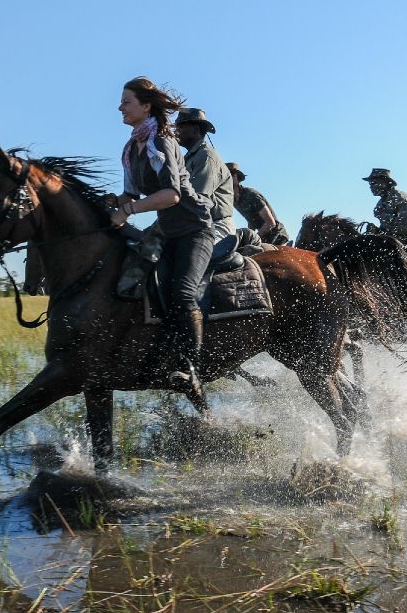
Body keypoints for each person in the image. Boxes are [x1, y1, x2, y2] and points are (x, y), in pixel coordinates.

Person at [110, 77, 213, 399]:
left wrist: (127, 210)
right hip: (168, 232)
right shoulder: (131, 148)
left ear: (145, 106)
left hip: (195, 229)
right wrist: (109, 203)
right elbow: (130, 192)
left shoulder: (162, 140)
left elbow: (170, 195)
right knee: (154, 294)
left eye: (126, 102)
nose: (120, 107)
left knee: (182, 295)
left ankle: (193, 370)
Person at [174, 108, 236, 242]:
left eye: (181, 127)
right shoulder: (188, 159)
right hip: (195, 223)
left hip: (217, 225)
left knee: (191, 258)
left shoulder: (206, 156)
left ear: (195, 130)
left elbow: (196, 199)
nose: (176, 131)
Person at [362, 168, 407, 274]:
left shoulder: (400, 197)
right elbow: (391, 229)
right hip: (400, 245)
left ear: (385, 183)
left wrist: (383, 216)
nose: (371, 186)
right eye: (370, 184)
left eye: (374, 183)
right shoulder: (381, 203)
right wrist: (377, 231)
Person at [226, 163, 289, 245]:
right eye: (224, 176)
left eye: (230, 175)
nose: (227, 179)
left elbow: (270, 223)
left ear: (237, 178)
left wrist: (253, 238)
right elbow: (251, 220)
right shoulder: (234, 201)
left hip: (277, 236)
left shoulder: (251, 195)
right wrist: (249, 235)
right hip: (262, 238)